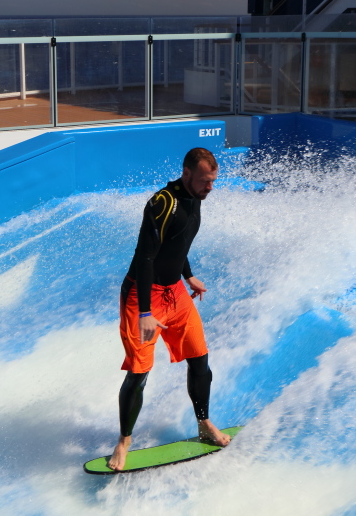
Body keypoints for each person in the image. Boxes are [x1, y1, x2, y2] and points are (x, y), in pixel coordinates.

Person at [107, 147, 231, 471]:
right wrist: (146, 313)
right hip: (142, 295)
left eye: (213, 181)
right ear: (187, 174)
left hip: (176, 291)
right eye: (205, 181)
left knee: (200, 360)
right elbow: (146, 256)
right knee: (139, 374)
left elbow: (178, 242)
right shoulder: (162, 203)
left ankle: (204, 424)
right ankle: (124, 441)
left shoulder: (195, 199)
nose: (210, 188)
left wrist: (188, 275)